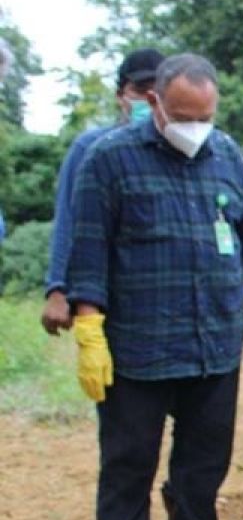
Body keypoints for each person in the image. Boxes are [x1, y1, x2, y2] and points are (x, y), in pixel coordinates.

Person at [67, 53, 243, 520]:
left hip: (214, 336)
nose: (193, 127)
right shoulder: (109, 160)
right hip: (138, 341)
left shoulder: (226, 153)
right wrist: (88, 328)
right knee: (130, 455)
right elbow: (87, 249)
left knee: (206, 453)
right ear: (154, 102)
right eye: (181, 114)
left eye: (203, 115)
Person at [42, 48, 165, 336]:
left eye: (157, 89)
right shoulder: (92, 148)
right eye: (139, 89)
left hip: (165, 289)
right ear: (121, 96)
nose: (148, 98)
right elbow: (68, 219)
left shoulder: (183, 149)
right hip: (109, 292)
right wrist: (58, 288)